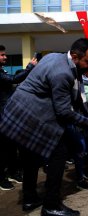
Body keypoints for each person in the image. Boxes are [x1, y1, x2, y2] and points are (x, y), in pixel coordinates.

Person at [0, 38, 88, 216]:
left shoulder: (53, 56)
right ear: (75, 57)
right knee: (59, 153)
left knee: (31, 157)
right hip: (30, 114)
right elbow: (64, 112)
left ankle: (29, 198)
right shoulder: (63, 73)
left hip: (20, 109)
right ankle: (51, 205)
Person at [0, 45, 37, 191]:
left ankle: (13, 173)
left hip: (9, 116)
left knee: (11, 147)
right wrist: (29, 67)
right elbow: (13, 79)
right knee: (2, 150)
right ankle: (2, 178)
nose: (5, 57)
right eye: (2, 55)